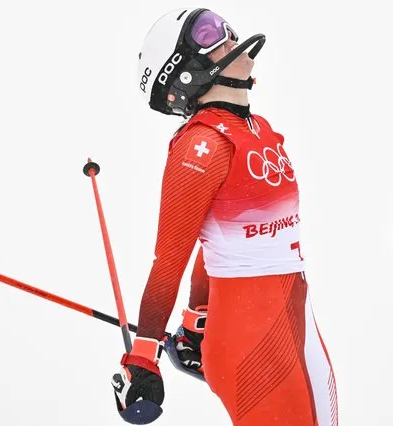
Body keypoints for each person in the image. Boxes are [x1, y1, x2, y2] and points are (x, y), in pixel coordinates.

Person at [111, 8, 338, 426]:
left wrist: (198, 318)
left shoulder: (257, 129)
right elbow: (169, 261)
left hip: (292, 319)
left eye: (224, 28)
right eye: (209, 33)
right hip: (253, 337)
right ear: (182, 70)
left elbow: (216, 243)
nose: (230, 36)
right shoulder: (201, 144)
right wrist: (143, 356)